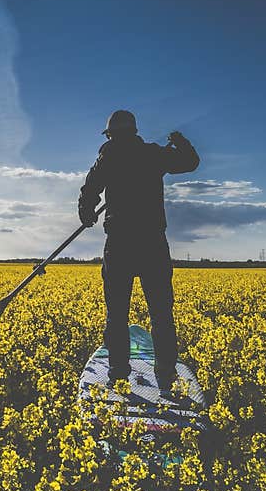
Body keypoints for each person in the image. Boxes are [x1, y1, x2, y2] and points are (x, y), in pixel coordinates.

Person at [78, 109, 199, 396]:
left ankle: (119, 376)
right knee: (161, 314)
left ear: (110, 135)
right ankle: (166, 378)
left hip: (119, 243)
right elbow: (190, 163)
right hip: (152, 243)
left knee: (117, 315)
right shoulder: (153, 154)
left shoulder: (107, 157)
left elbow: (89, 189)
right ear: (133, 132)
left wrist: (87, 213)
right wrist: (180, 141)